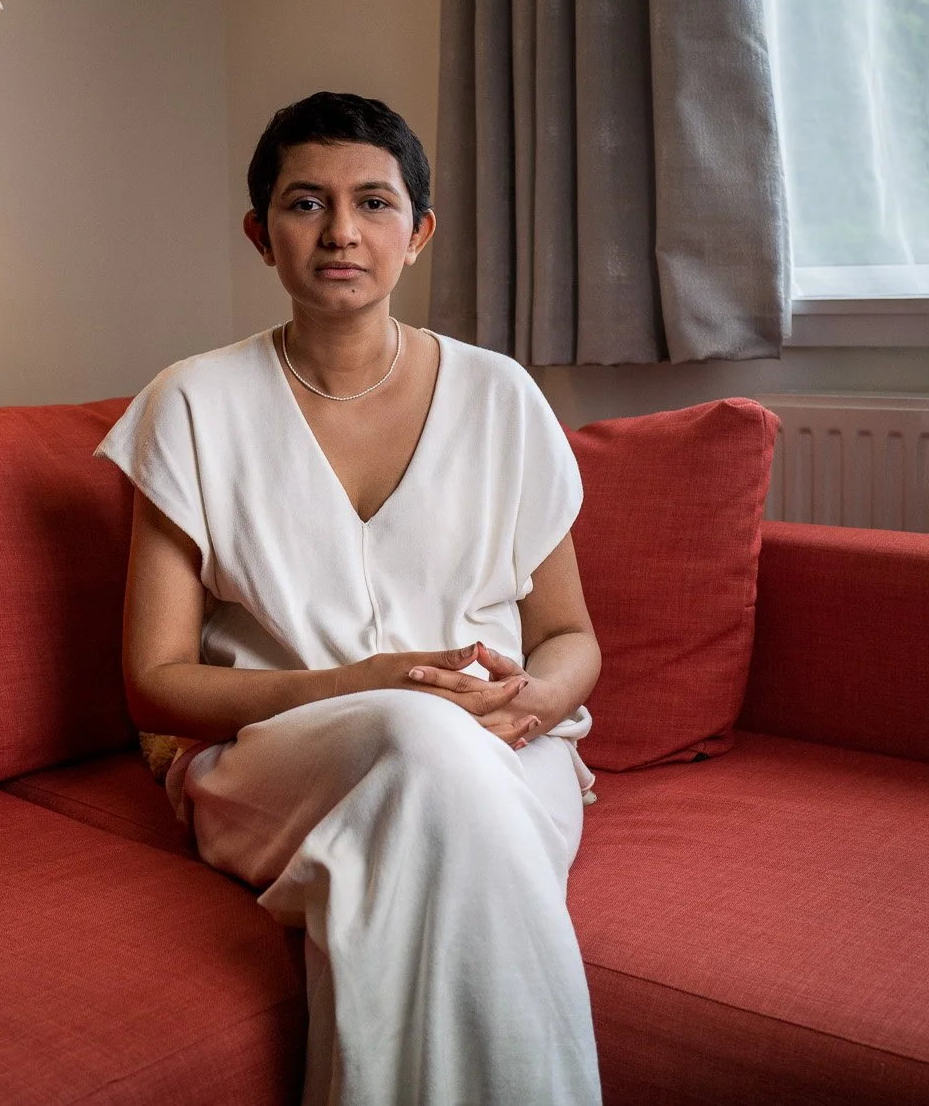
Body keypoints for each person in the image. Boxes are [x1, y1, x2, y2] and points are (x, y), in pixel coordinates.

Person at [93, 92, 603, 1106]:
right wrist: (360, 687)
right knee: (418, 737)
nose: (339, 231)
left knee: (434, 769)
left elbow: (568, 637)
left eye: (372, 202)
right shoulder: (189, 404)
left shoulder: (501, 397)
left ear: (416, 234)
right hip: (277, 765)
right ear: (259, 235)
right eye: (303, 203)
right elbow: (153, 685)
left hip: (505, 751)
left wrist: (532, 705)